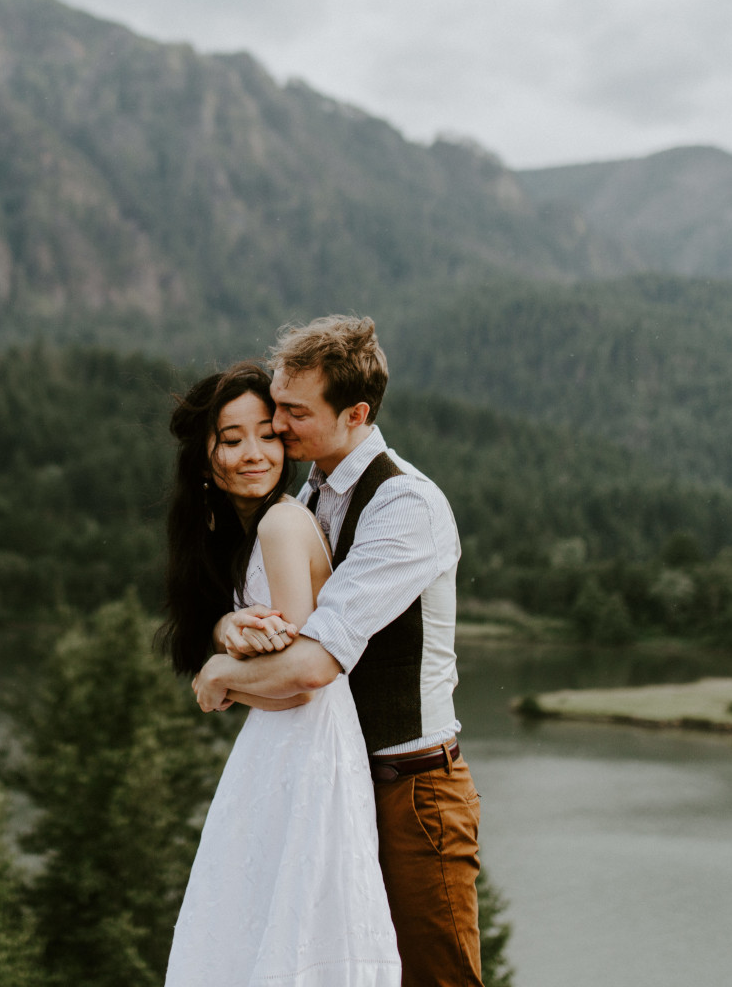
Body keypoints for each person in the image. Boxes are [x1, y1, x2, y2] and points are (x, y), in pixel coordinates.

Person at [193, 315, 480, 987]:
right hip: (338, 786)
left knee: (437, 980)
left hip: (414, 792)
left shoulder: (404, 505)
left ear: (354, 414)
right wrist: (227, 631)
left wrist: (220, 674)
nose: (278, 426)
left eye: (293, 412)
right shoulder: (310, 496)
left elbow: (319, 660)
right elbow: (268, 615)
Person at [161, 362, 400, 987]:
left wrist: (220, 676)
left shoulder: (279, 522)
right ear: (204, 452)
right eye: (231, 438)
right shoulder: (257, 528)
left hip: (306, 745)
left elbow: (298, 681)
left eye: (268, 434)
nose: (254, 453)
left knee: (286, 926)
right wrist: (224, 633)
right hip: (283, 751)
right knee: (263, 923)